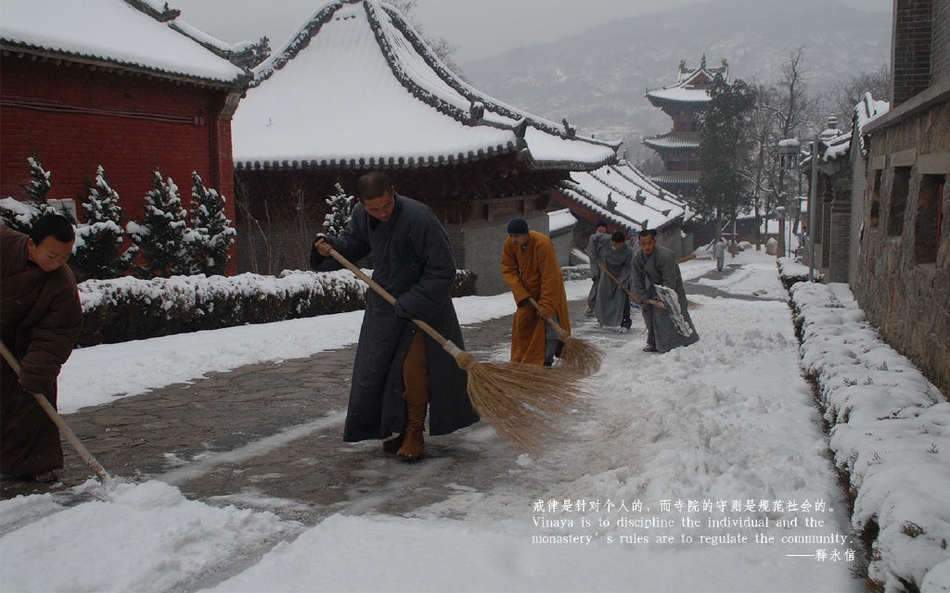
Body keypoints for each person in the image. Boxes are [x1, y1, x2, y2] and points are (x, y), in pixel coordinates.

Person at [310, 171, 477, 460]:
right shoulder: (363, 215)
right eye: (374, 209)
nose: (382, 213)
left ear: (393, 192)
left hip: (423, 309)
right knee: (384, 371)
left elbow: (443, 270)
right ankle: (397, 429)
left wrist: (412, 302)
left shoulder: (419, 217)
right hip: (385, 307)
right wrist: (331, 247)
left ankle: (414, 431)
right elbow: (354, 244)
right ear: (362, 203)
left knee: (412, 371)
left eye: (386, 206)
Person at [1, 213, 83, 482]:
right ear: (31, 245)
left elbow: (59, 329)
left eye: (65, 257)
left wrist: (39, 364)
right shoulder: (5, 246)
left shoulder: (62, 283)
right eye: (52, 255)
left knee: (33, 393)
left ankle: (36, 463)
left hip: (28, 345)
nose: (59, 263)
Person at [500, 217, 570, 366]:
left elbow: (551, 275)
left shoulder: (542, 244)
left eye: (516, 236)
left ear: (526, 234)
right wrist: (520, 292)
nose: (513, 239)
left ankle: (546, 360)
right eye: (511, 236)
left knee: (549, 329)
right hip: (527, 292)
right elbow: (508, 269)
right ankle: (525, 361)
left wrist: (547, 305)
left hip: (549, 290)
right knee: (523, 328)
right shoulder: (510, 244)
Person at [631, 229, 700, 353]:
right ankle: (653, 341)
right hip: (653, 287)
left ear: (655, 242)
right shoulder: (637, 257)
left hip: (671, 287)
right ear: (640, 244)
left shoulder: (665, 255)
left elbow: (669, 281)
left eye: (649, 243)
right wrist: (643, 298)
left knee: (670, 313)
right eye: (643, 244)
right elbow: (637, 281)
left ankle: (679, 342)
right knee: (648, 312)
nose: (647, 247)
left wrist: (662, 298)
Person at [595, 231, 634, 333]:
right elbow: (594, 240)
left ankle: (625, 323)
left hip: (620, 275)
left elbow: (627, 267)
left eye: (620, 245)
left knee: (622, 297)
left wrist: (622, 281)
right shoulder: (606, 241)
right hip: (607, 273)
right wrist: (594, 255)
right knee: (602, 295)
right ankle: (601, 320)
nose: (617, 246)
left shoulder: (628, 251)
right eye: (615, 244)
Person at [584, 220, 609, 317]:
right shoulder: (593, 238)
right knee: (597, 287)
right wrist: (594, 271)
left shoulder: (609, 238)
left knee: (605, 288)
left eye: (603, 226)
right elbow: (591, 254)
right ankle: (591, 305)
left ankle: (603, 307)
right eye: (599, 227)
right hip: (598, 267)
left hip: (607, 267)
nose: (601, 228)